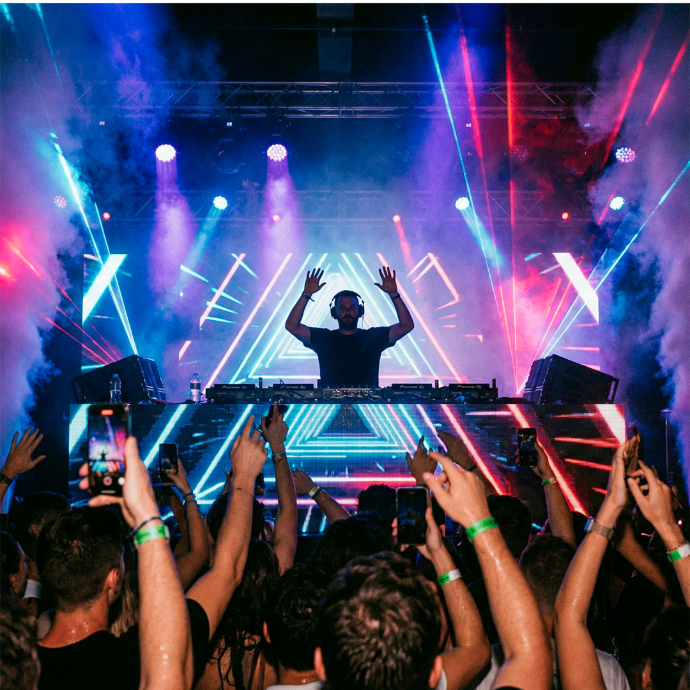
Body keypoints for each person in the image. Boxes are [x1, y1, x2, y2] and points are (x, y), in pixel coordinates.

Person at [285, 266, 414, 387]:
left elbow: (407, 325)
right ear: (334, 312)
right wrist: (306, 294)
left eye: (352, 307)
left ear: (360, 311)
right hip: (330, 402)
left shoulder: (373, 337)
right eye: (342, 308)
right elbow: (292, 326)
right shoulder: (324, 338)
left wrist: (394, 294)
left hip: (369, 403)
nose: (347, 311)